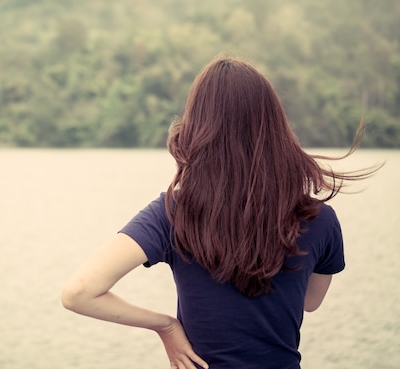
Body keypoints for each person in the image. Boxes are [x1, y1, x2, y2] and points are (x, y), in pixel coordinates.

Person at [61, 57, 379, 369]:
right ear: (276, 126)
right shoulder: (320, 219)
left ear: (199, 128)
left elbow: (79, 293)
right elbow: (310, 302)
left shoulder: (174, 212)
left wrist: (166, 326)